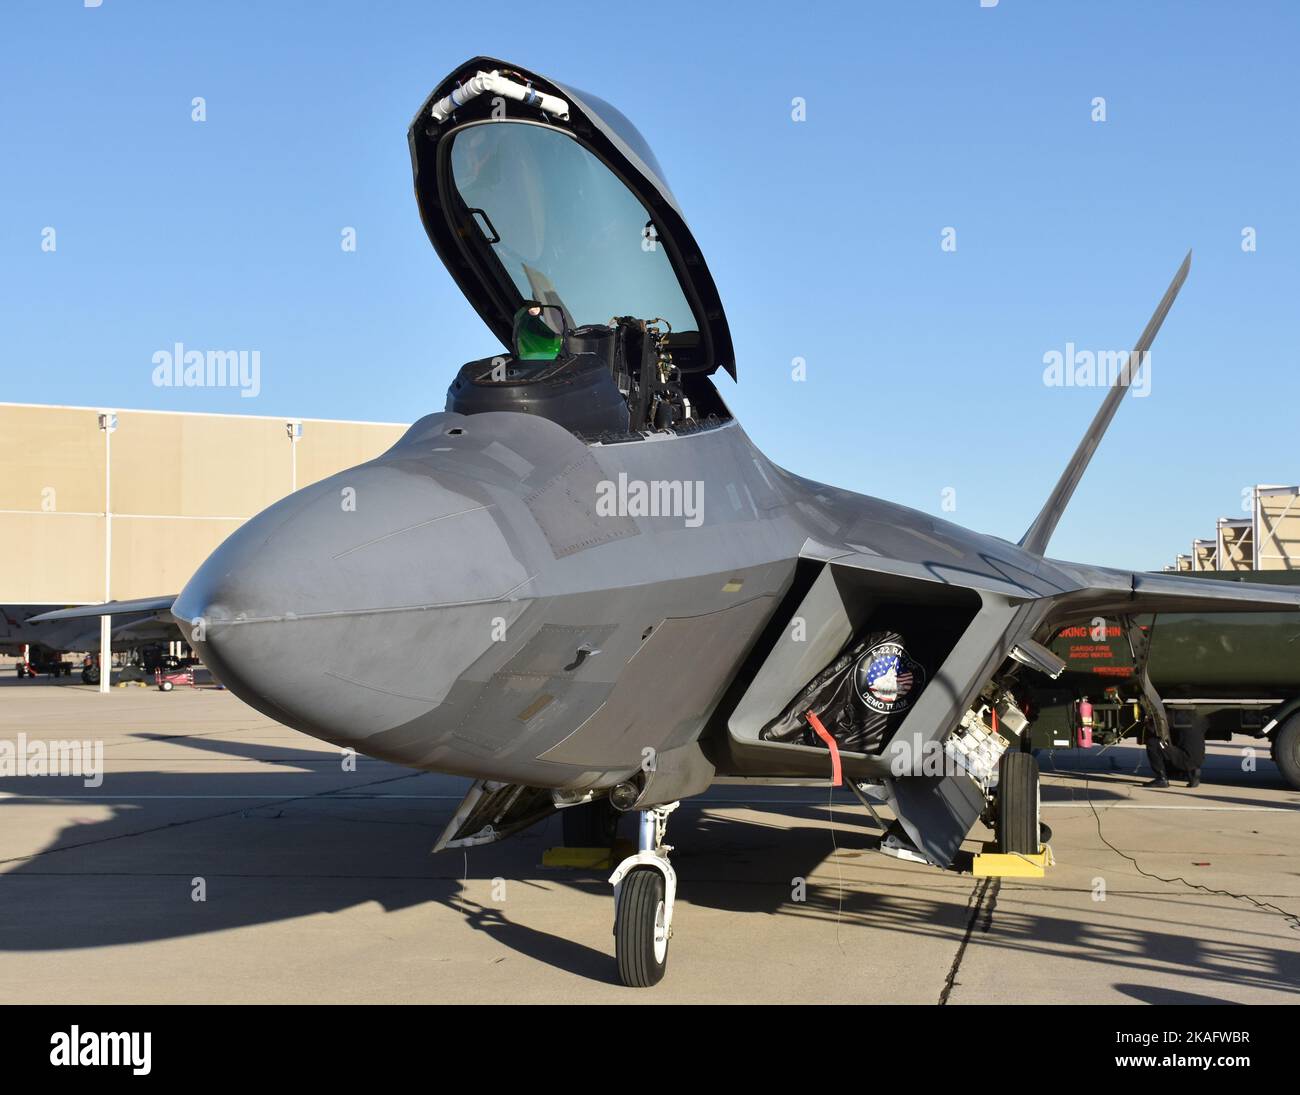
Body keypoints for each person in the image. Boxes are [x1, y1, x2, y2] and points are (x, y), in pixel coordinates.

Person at [1145, 710, 1206, 788]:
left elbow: (1155, 731)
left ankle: (1161, 779)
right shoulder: (1195, 719)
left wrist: (1148, 723)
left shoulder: (1170, 717)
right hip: (1198, 760)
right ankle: (1192, 772)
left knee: (1153, 743)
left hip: (1186, 759)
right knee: (1178, 745)